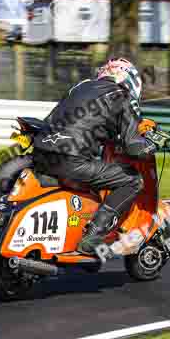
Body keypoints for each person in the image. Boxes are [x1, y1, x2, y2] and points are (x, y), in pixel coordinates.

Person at [32, 58, 160, 255]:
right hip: (71, 160)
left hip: (40, 154)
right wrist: (152, 145)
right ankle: (92, 236)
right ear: (131, 80)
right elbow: (134, 147)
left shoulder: (80, 87)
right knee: (133, 181)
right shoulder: (124, 96)